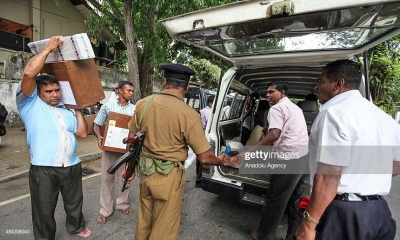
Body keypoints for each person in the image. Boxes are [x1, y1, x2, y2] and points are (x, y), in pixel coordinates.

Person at [296, 59, 400, 240]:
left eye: (321, 81)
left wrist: (308, 224)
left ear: (338, 84)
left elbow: (329, 176)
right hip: (380, 213)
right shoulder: (385, 119)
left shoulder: (334, 113)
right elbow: (397, 164)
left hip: (345, 215)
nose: (317, 86)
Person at [124, 63, 227, 240]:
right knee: (164, 229)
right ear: (187, 87)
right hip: (169, 176)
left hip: (146, 172)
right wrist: (221, 160)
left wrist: (129, 167)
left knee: (144, 223)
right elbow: (204, 156)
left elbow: (131, 138)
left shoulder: (143, 104)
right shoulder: (189, 115)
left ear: (164, 82)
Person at [16, 36, 91, 239]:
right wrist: (49, 49)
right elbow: (30, 73)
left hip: (72, 165)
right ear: (38, 93)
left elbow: (83, 133)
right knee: (43, 208)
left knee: (74, 202)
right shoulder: (28, 104)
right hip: (44, 168)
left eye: (57, 90)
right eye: (48, 91)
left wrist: (76, 108)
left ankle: (75, 226)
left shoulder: (65, 110)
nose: (55, 94)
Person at [247, 81, 309, 240]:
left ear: (282, 93)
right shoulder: (295, 108)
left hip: (288, 159)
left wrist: (251, 151)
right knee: (297, 200)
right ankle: (293, 235)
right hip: (303, 157)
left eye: (271, 92)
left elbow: (275, 134)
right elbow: (286, 129)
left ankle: (265, 236)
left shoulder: (275, 108)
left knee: (275, 200)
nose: (267, 95)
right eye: (267, 92)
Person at [93, 80, 135, 223]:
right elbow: (97, 124)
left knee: (125, 177)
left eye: (132, 91)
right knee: (106, 179)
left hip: (126, 151)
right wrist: (99, 137)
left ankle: (122, 204)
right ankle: (105, 209)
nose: (131, 93)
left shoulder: (135, 110)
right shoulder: (107, 107)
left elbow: (137, 129)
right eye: (128, 90)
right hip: (110, 149)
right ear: (119, 91)